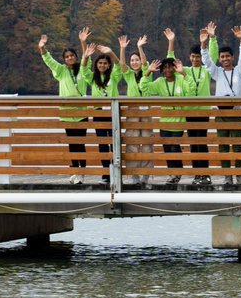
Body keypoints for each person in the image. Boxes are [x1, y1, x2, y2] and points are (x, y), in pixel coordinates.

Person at [201, 23, 241, 186]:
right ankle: (227, 176)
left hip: (236, 114)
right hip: (221, 115)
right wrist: (204, 44)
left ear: (232, 57)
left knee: (237, 146)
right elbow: (206, 61)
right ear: (220, 59)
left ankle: (240, 175)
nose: (225, 59)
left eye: (228, 56)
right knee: (223, 146)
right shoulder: (217, 72)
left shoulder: (240, 71)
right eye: (222, 57)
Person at [39, 30, 89, 183]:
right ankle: (75, 171)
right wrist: (42, 47)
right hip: (67, 113)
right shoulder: (61, 71)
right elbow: (48, 60)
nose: (70, 58)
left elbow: (87, 56)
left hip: (81, 112)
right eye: (67, 57)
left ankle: (82, 173)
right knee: (72, 143)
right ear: (64, 59)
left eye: (72, 56)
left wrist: (83, 41)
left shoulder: (82, 69)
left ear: (75, 57)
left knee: (80, 143)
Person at [138, 55, 195, 185]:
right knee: (167, 149)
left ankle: (178, 171)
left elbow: (191, 91)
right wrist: (148, 72)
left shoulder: (181, 79)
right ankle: (172, 174)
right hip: (164, 122)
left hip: (178, 122)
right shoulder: (159, 82)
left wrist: (184, 73)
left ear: (174, 68)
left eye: (170, 67)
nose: (168, 70)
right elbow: (144, 89)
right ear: (162, 70)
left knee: (175, 148)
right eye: (165, 68)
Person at [166, 27, 213, 186]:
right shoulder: (184, 70)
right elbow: (170, 61)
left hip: (204, 111)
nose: (195, 59)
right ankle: (196, 174)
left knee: (202, 141)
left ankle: (205, 174)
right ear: (189, 57)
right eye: (193, 56)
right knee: (193, 142)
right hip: (189, 112)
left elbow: (211, 55)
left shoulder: (206, 70)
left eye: (198, 56)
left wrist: (207, 41)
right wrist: (171, 42)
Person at [77, 41, 119, 184]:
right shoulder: (93, 78)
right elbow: (83, 70)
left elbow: (119, 66)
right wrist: (86, 57)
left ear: (108, 65)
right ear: (97, 65)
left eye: (105, 63)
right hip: (99, 113)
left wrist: (110, 53)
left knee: (114, 143)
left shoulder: (114, 76)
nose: (102, 65)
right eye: (100, 63)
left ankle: (116, 173)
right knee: (102, 144)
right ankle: (105, 174)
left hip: (112, 112)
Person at [119, 35, 153, 186]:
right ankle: (134, 176)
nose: (134, 62)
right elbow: (121, 65)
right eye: (132, 60)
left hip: (145, 111)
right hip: (132, 111)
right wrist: (122, 48)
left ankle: (145, 176)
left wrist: (140, 47)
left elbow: (145, 63)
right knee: (132, 142)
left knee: (146, 142)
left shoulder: (148, 71)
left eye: (136, 59)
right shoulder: (128, 75)